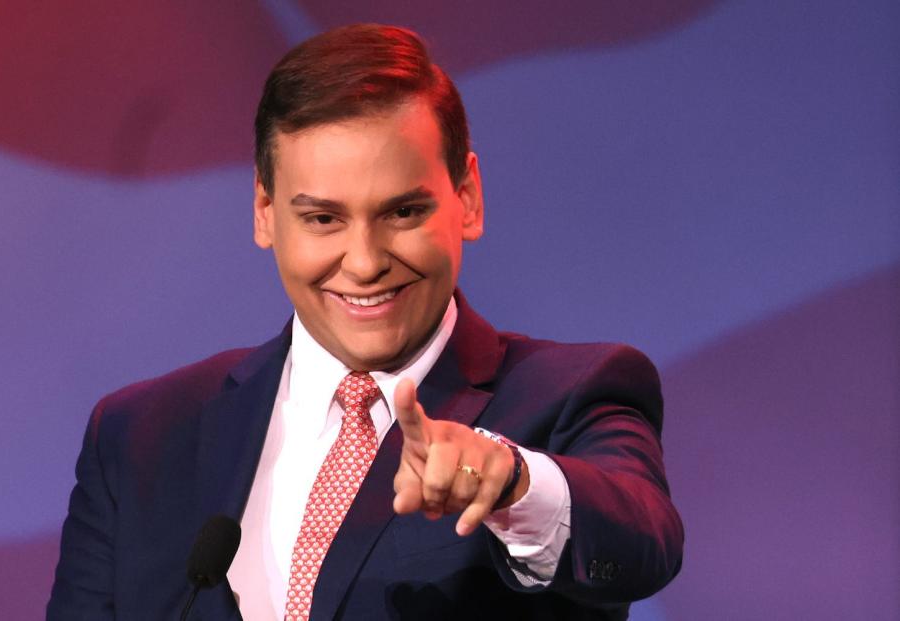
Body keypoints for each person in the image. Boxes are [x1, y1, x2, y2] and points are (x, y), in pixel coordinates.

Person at [47, 24, 682, 620]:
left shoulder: (571, 392)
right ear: (265, 211)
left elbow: (640, 541)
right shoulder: (138, 436)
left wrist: (512, 481)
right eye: (323, 218)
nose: (367, 262)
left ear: (467, 198)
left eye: (403, 212)